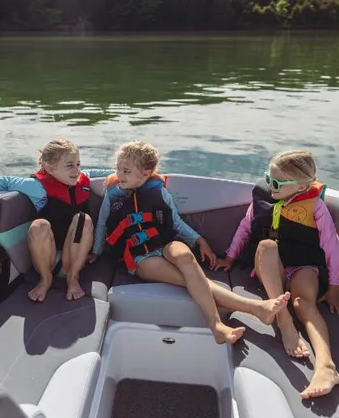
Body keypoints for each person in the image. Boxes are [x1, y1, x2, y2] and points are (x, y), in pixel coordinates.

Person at [88, 140, 289, 345]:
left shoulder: (160, 193)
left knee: (186, 258)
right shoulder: (113, 193)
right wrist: (96, 251)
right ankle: (228, 320)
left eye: (126, 170)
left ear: (146, 173)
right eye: (118, 169)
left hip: (166, 242)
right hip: (141, 256)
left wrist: (200, 240)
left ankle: (255, 310)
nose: (119, 174)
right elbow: (103, 223)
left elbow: (175, 222)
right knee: (190, 280)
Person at [215, 149, 339, 398]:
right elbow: (245, 227)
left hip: (302, 265)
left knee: (303, 303)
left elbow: (331, 245)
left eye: (277, 182)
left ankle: (327, 366)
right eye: (268, 178)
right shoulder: (264, 197)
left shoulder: (315, 206)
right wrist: (229, 257)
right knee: (266, 245)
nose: (270, 186)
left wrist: (335, 290)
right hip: (270, 265)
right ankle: (284, 322)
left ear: (302, 185)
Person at [0, 139, 111, 302]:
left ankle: (72, 278)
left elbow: (109, 172)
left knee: (83, 219)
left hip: (74, 259)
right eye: (70, 165)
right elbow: (5, 181)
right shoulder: (36, 186)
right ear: (50, 168)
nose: (77, 170)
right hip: (48, 259)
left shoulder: (83, 178)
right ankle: (46, 279)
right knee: (39, 225)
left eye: (78, 164)